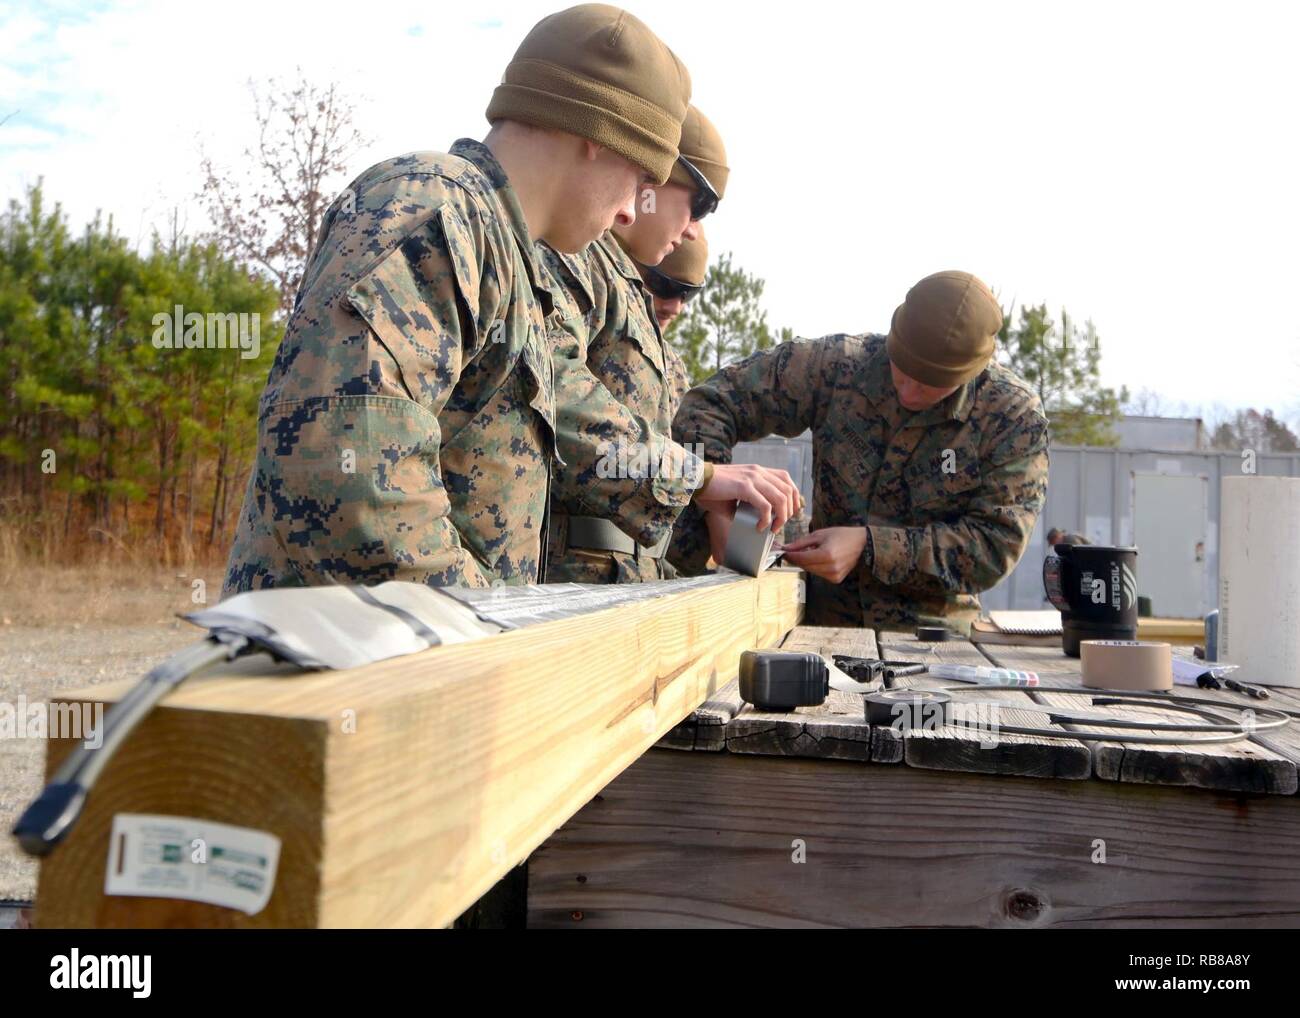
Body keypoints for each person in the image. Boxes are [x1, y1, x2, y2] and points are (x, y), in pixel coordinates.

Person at [222, 5, 796, 597]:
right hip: (330, 664)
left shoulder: (508, 256)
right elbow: (349, 475)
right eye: (640, 179)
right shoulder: (434, 209)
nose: (630, 211)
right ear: (597, 135)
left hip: (405, 656)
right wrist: (490, 624)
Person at [672, 270, 1051, 634]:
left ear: (973, 373)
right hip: (817, 628)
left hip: (932, 642)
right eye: (902, 370)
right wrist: (716, 501)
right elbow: (705, 406)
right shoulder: (839, 366)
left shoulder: (1011, 416)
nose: (908, 393)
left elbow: (994, 548)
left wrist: (869, 547)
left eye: (932, 386)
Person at [541, 105, 794, 583]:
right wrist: (704, 479)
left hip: (628, 584)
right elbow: (555, 398)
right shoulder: (572, 263)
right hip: (566, 582)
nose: (695, 230)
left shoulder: (624, 296)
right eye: (697, 205)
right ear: (650, 175)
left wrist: (715, 505)